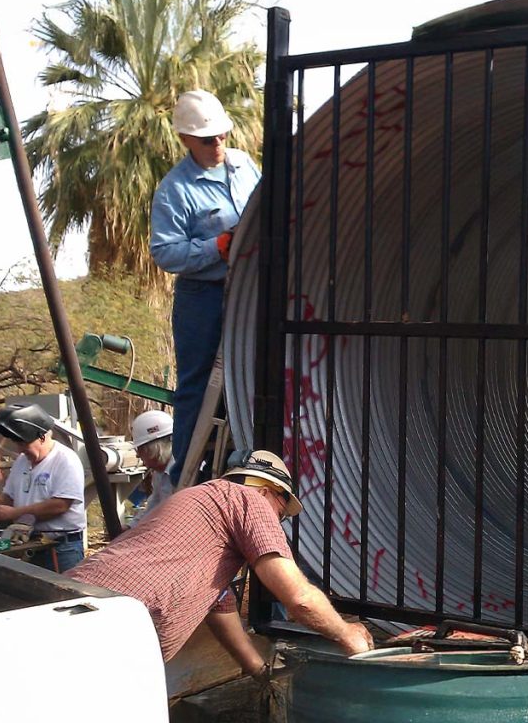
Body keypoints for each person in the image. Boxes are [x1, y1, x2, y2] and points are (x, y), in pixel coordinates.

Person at [68, 450, 373, 674]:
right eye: (281, 510)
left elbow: (218, 603)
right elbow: (299, 598)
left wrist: (258, 669)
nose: (278, 519)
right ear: (268, 491)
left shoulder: (199, 503)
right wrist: (347, 634)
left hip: (71, 602)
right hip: (110, 629)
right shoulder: (249, 500)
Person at [150, 89, 261, 485]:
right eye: (207, 138)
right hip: (204, 297)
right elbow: (166, 252)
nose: (217, 143)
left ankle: (250, 459)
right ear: (185, 139)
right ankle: (186, 475)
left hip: (250, 291)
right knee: (196, 385)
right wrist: (217, 247)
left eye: (221, 136)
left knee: (256, 375)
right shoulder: (175, 190)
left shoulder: (244, 166)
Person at [0, 404, 87, 572]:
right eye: (17, 444)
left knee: (66, 594)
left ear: (42, 437)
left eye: (24, 444)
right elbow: (10, 498)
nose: (20, 449)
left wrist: (15, 513)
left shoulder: (66, 460)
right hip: (30, 543)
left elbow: (60, 505)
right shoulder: (22, 462)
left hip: (62, 548)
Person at [129, 409, 175, 525]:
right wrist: (130, 527)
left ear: (155, 448)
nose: (137, 455)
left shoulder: (186, 471)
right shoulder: (159, 474)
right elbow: (154, 506)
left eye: (140, 450)